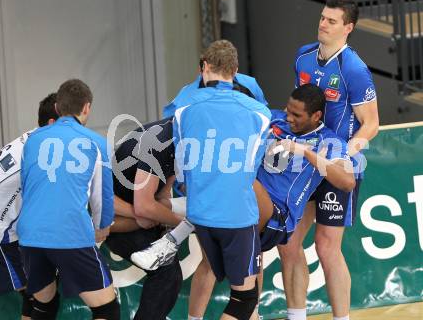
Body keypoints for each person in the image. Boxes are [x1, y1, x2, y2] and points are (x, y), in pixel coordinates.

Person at [132, 84, 355, 320]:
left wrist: (305, 152)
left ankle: (174, 235)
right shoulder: (273, 120)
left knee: (237, 177)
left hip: (275, 215)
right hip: (241, 209)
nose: (288, 117)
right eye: (288, 110)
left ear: (316, 116)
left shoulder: (330, 141)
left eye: (296, 115)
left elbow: (347, 181)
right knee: (212, 265)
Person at [279, 0, 379, 320]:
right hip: (306, 161)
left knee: (326, 246)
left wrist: (345, 156)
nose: (323, 24)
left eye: (332, 21)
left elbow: (372, 124)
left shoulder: (354, 69)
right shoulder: (303, 56)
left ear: (348, 28)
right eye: (323, 17)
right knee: (289, 241)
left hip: (336, 165)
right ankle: (297, 316)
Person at [173, 39, 271, 320]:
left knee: (212, 269)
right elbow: (254, 162)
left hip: (201, 211)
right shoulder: (259, 114)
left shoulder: (184, 109)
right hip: (237, 212)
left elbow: (181, 167)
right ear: (235, 70)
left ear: (205, 67)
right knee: (244, 299)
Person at [17, 79, 119, 320]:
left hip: (30, 234)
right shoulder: (96, 143)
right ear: (86, 108)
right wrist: (102, 227)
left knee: (43, 305)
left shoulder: (32, 140)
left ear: (57, 108)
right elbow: (102, 199)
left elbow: (27, 187)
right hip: (69, 232)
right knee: (107, 309)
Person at [0, 94, 59, 320]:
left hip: (5, 221)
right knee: (43, 299)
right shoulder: (42, 155)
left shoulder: (37, 139)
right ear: (53, 124)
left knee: (40, 297)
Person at [105, 116, 185, 320]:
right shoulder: (160, 142)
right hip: (114, 215)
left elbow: (162, 195)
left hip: (130, 211)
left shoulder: (176, 139)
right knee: (167, 272)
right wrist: (185, 223)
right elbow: (144, 207)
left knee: (169, 272)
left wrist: (164, 217)